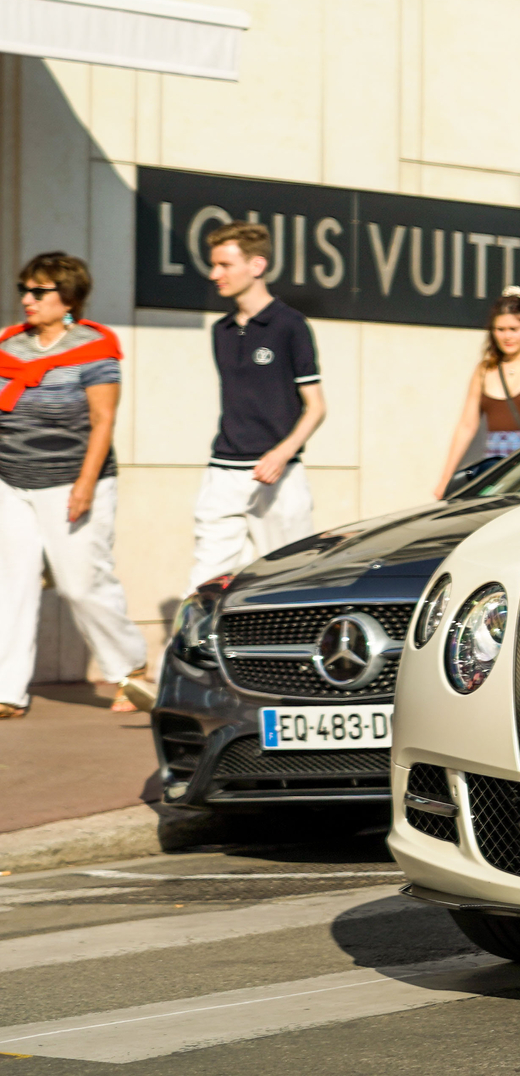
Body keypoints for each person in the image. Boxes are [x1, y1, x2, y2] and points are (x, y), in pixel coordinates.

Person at [0, 254, 154, 721]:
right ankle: (7, 690)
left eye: (38, 291)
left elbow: (103, 421)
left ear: (67, 297)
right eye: (24, 289)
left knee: (81, 584)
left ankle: (131, 670)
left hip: (72, 481)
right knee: (11, 584)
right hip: (11, 481)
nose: (26, 299)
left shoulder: (95, 348)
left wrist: (85, 484)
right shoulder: (8, 344)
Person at [191, 222, 325, 589]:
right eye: (213, 264)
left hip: (279, 477)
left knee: (288, 585)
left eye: (224, 265)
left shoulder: (291, 326)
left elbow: (315, 406)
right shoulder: (221, 330)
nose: (214, 273)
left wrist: (281, 454)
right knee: (204, 586)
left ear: (256, 265)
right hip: (223, 472)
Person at [432, 289, 520, 497]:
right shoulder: (484, 370)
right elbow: (466, 425)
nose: (506, 336)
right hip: (497, 474)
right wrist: (445, 479)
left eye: (513, 329)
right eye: (499, 329)